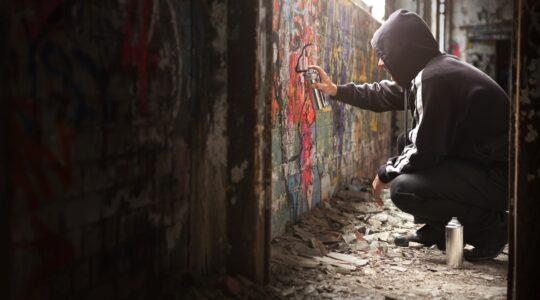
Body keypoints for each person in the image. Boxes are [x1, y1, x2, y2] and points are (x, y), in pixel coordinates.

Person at [309, 9, 508, 261]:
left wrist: (385, 173)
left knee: (403, 188)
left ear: (403, 51)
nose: (381, 63)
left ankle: (493, 227)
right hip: (486, 166)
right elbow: (381, 94)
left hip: (501, 179)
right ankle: (439, 228)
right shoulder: (433, 70)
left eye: (384, 55)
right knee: (405, 143)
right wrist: (336, 90)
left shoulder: (435, 78)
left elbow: (425, 150)